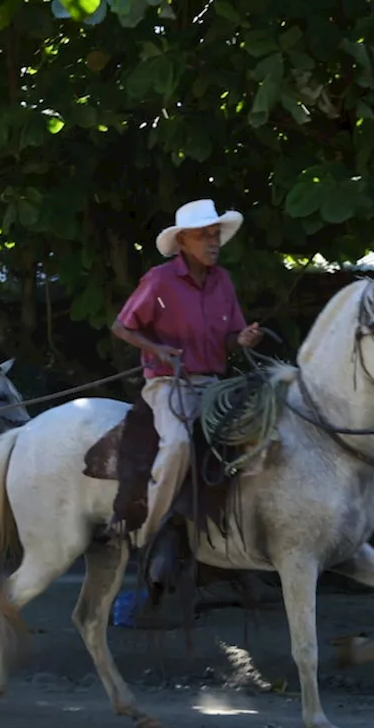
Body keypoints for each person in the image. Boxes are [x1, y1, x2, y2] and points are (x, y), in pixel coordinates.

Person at [111, 199, 264, 551]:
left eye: (215, 235)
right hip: (169, 382)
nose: (213, 242)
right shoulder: (160, 279)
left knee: (259, 437)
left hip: (213, 387)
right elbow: (122, 326)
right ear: (182, 242)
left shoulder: (222, 281)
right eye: (203, 236)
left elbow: (230, 339)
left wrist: (241, 339)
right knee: (178, 443)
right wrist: (157, 349)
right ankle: (146, 531)